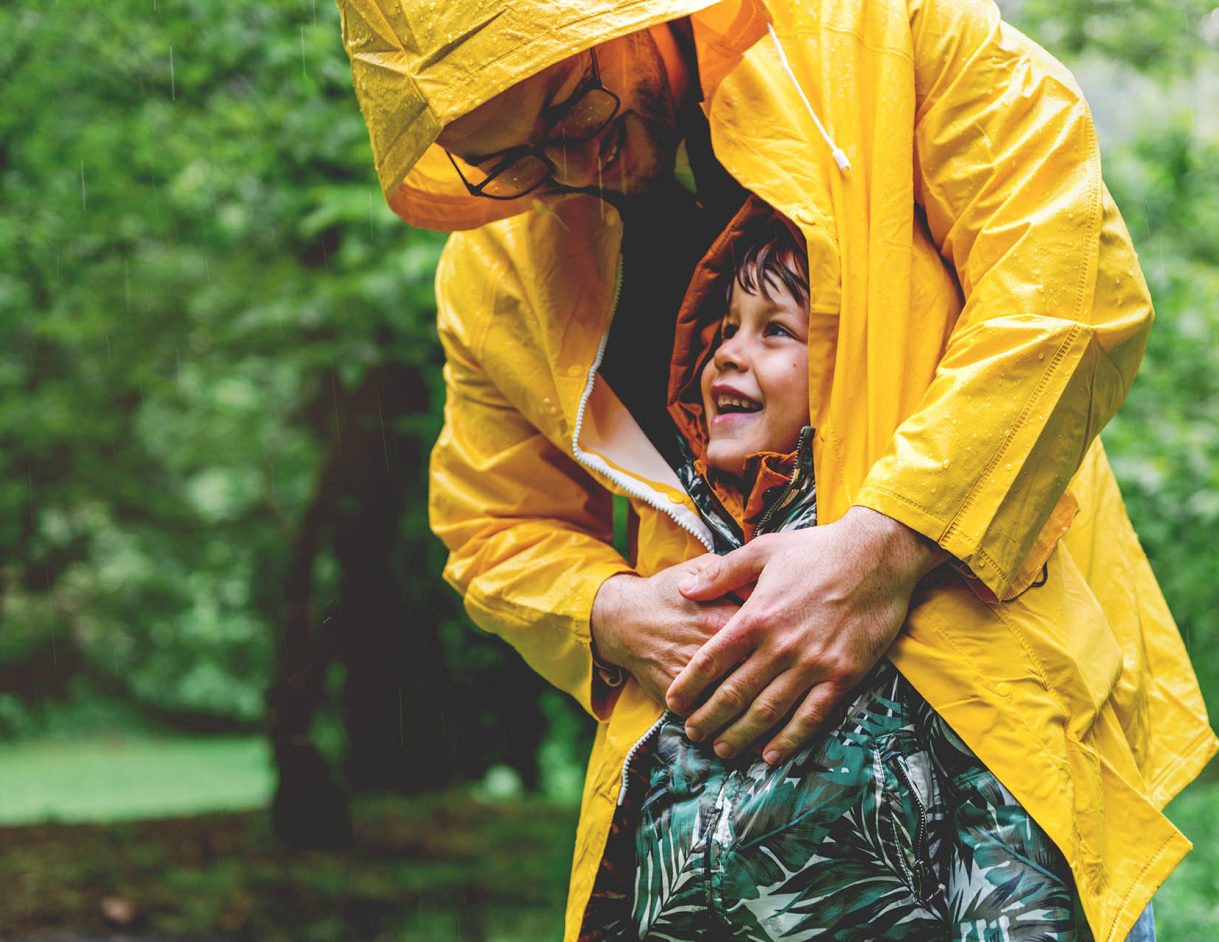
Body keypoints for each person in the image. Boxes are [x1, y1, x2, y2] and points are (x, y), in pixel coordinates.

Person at [334, 1, 1217, 940]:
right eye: (507, 162)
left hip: (997, 778)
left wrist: (888, 546)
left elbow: (1067, 283)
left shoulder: (883, 30)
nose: (567, 168)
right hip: (703, 844)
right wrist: (607, 612)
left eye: (570, 112)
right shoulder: (496, 274)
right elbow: (492, 526)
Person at [589, 197, 1088, 940]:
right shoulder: (684, 564)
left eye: (776, 331)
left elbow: (1009, 840)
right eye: (724, 329)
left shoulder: (917, 581)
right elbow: (635, 834)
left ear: (850, 371)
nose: (726, 352)